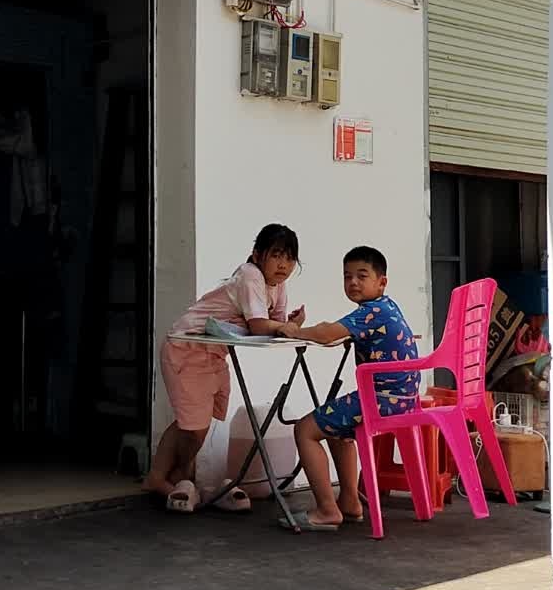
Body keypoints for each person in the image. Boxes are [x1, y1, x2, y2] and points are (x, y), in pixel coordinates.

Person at [144, 224, 304, 513]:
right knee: (194, 425)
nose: (284, 265)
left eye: (290, 258)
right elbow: (260, 325)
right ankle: (166, 478)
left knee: (195, 421)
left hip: (213, 352)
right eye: (277, 255)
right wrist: (285, 326)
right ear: (257, 255)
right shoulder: (250, 275)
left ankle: (175, 478)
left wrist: (291, 323)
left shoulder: (276, 283)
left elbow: (276, 323)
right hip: (187, 348)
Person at [281, 246, 420, 530]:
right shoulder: (387, 306)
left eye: (361, 276)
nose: (353, 282)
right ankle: (349, 503)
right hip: (401, 399)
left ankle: (326, 511)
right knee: (335, 428)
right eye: (347, 277)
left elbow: (326, 332)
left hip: (382, 400)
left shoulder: (372, 312)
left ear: (382, 282)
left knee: (305, 429)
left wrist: (296, 331)